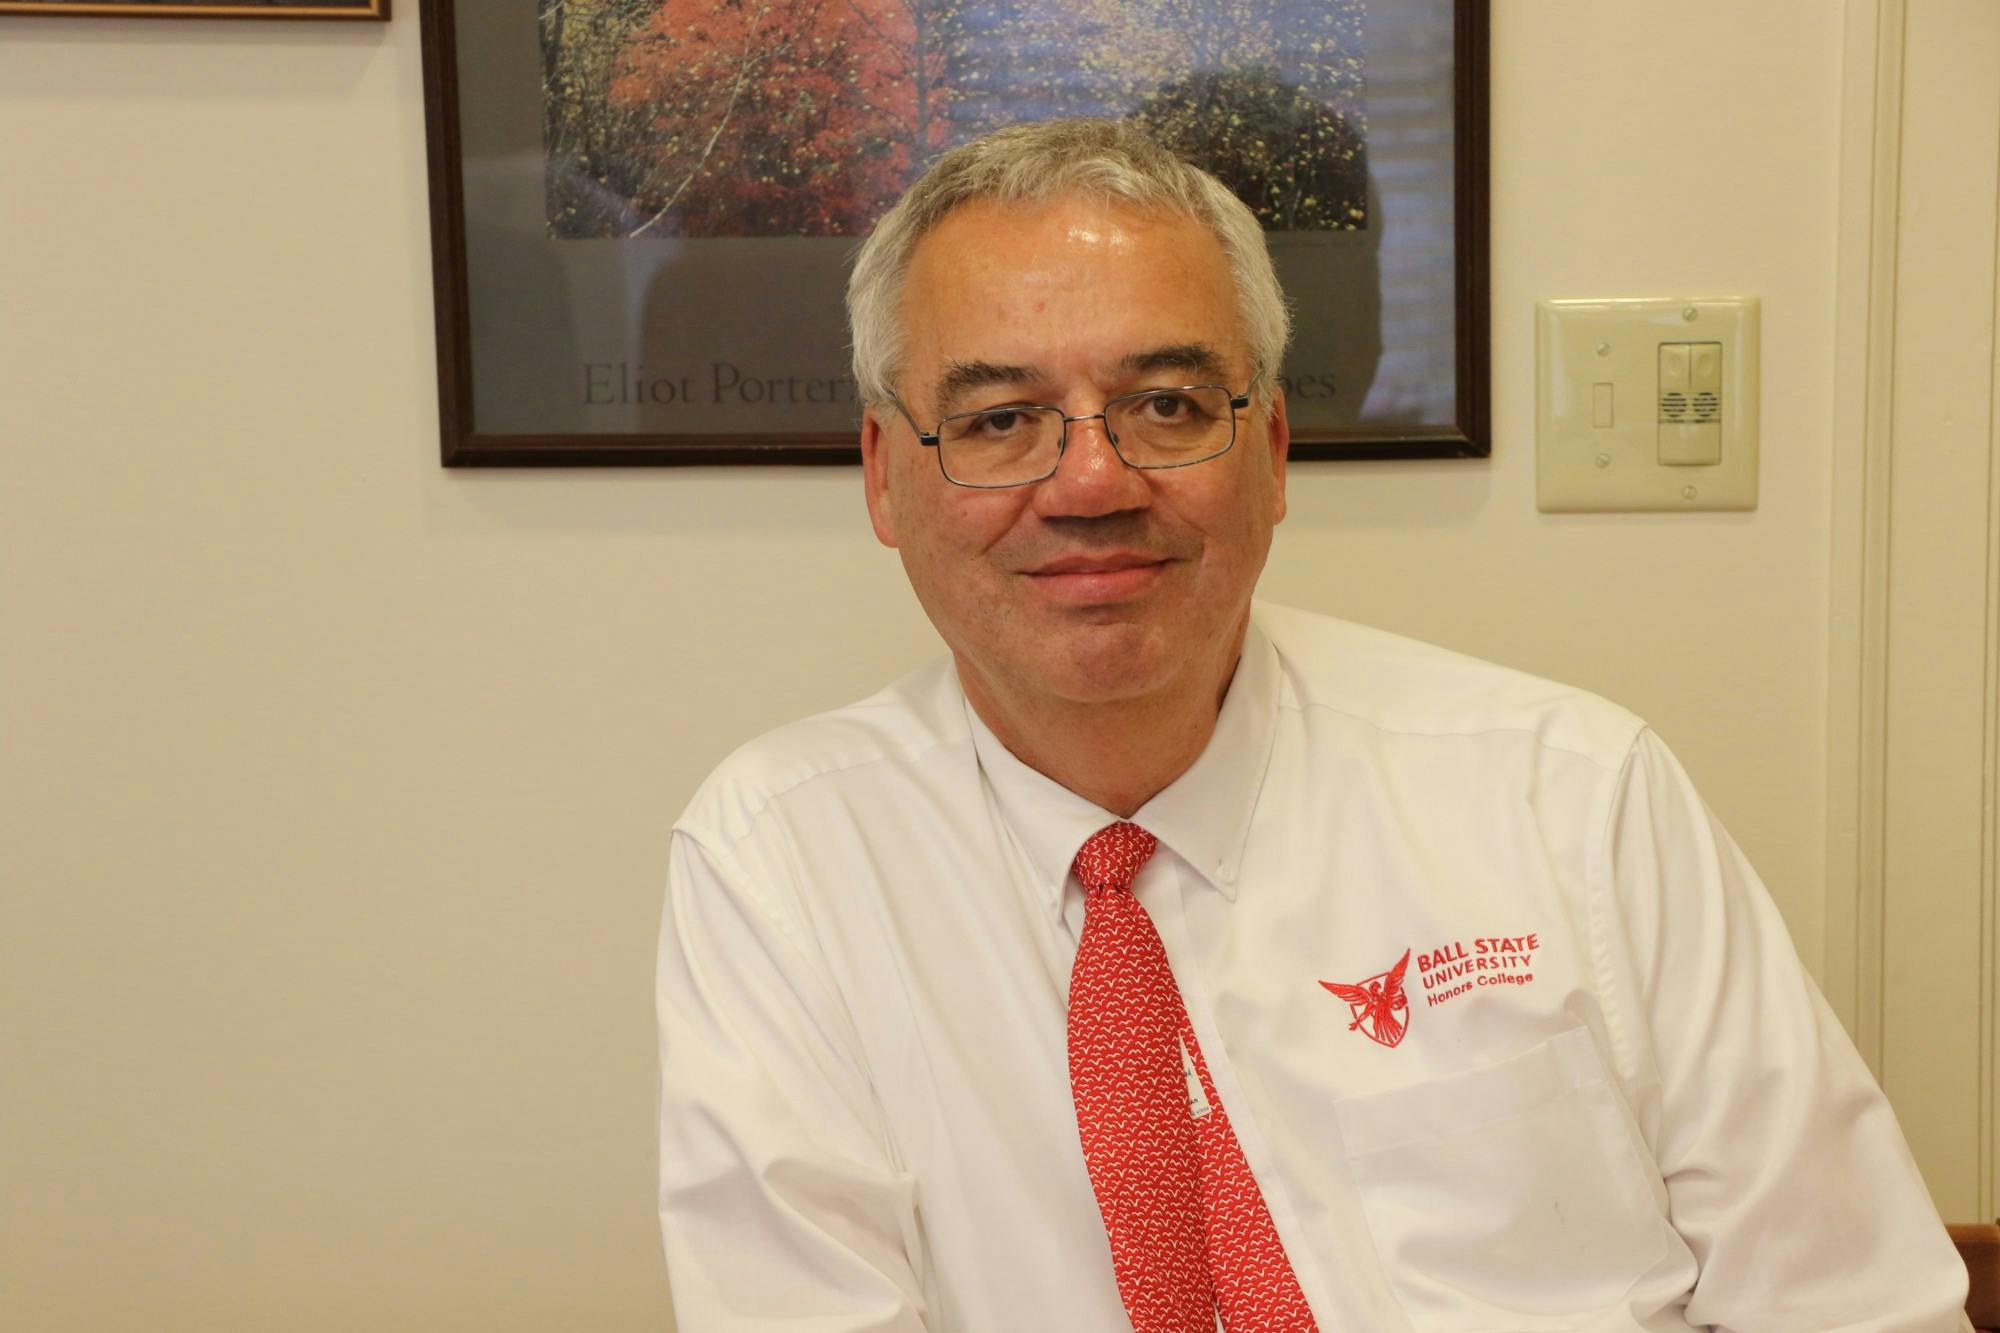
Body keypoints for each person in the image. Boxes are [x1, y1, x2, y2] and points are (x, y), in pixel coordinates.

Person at [655, 118, 1968, 1332]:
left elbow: (1858, 1304)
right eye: (1001, 420)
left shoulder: (1572, 795)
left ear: (1274, 450)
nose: (1095, 481)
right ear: (886, 475)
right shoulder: (782, 865)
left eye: (1166, 404)